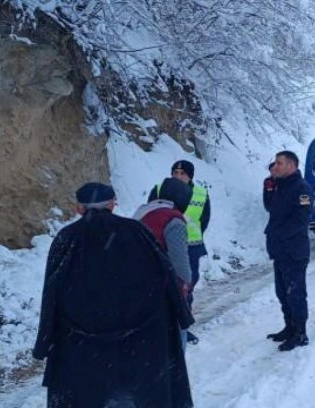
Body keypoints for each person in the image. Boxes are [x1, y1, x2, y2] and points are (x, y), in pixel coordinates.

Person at [33, 182, 194, 408]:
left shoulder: (66, 239)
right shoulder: (137, 232)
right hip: (141, 345)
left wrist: (45, 341)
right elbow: (165, 275)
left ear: (79, 208)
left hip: (83, 349)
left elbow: (51, 293)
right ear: (111, 204)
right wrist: (181, 313)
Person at [149, 160, 210, 344]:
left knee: (186, 287)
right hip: (162, 246)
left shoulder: (200, 194)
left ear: (190, 176)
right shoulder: (159, 189)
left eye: (183, 173)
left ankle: (183, 324)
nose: (178, 176)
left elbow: (204, 220)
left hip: (190, 247)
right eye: (175, 172)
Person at [134, 177, 193, 350]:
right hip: (164, 285)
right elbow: (179, 262)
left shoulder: (143, 212)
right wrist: (185, 284)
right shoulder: (173, 219)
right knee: (176, 335)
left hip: (140, 284)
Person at [264, 151, 313, 351]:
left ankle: (300, 332)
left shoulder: (302, 189)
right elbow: (270, 209)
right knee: (282, 292)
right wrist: (268, 190)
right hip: (279, 251)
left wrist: (280, 236)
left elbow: (301, 220)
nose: (274, 166)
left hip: (294, 251)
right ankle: (289, 327)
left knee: (295, 293)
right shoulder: (279, 187)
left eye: (279, 163)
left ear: (291, 166)